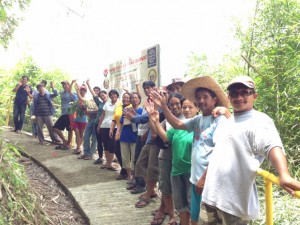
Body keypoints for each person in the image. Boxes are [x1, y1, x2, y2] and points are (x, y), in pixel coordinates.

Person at [199, 76, 300, 225]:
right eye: (234, 93)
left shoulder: (259, 121)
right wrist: (203, 178)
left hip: (233, 204)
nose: (239, 97)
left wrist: (284, 174)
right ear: (228, 97)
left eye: (245, 92)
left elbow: (271, 146)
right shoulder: (229, 121)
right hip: (210, 196)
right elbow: (219, 153)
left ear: (254, 96)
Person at [151, 75, 230, 225]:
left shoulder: (220, 120)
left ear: (214, 100)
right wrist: (163, 107)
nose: (201, 100)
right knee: (194, 218)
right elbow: (177, 124)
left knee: (208, 220)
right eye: (198, 97)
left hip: (209, 182)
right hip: (195, 179)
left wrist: (204, 178)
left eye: (205, 97)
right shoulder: (198, 120)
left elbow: (220, 151)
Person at [118, 92, 143, 180]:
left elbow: (142, 121)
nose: (134, 99)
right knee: (125, 157)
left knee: (134, 157)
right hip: (125, 135)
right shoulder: (126, 109)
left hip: (136, 137)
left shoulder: (142, 111)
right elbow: (121, 122)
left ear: (139, 100)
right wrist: (118, 132)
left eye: (136, 98)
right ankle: (129, 176)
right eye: (132, 98)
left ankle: (134, 177)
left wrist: (134, 115)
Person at [97, 89, 120, 171]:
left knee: (112, 145)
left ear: (117, 95)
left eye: (114, 94)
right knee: (106, 145)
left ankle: (109, 164)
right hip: (104, 127)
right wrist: (99, 126)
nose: (113, 96)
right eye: (111, 95)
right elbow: (102, 115)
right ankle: (107, 163)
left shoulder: (120, 104)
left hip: (114, 127)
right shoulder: (107, 103)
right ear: (109, 96)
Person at [53, 80, 78, 150]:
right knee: (55, 128)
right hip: (63, 114)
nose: (64, 86)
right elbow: (55, 93)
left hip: (70, 114)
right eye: (63, 85)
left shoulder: (73, 93)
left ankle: (68, 144)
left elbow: (77, 100)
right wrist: (53, 87)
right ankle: (65, 141)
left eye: (66, 85)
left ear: (69, 85)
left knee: (70, 129)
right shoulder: (62, 93)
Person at [93, 90, 108, 164]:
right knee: (99, 141)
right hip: (97, 124)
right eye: (101, 96)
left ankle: (109, 158)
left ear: (106, 94)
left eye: (103, 95)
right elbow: (94, 96)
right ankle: (100, 157)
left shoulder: (110, 104)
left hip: (105, 126)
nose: (102, 97)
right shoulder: (100, 103)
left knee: (106, 142)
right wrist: (88, 84)